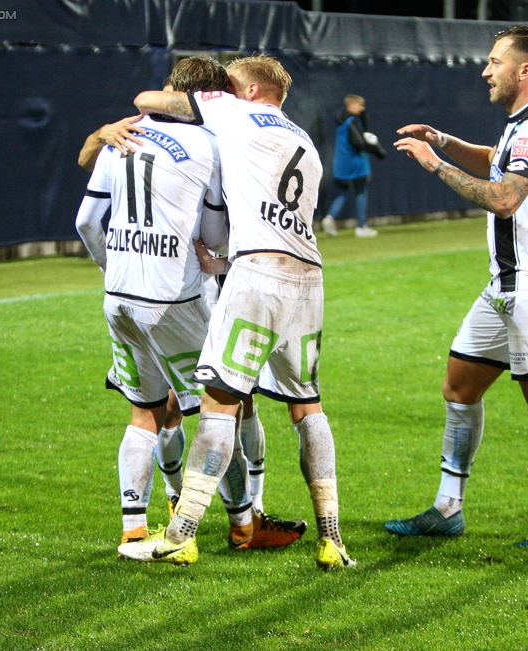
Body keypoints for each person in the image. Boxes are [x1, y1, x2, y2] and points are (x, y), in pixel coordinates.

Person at [118, 54, 354, 570]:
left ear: (248, 91)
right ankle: (332, 536)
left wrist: (132, 124)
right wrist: (221, 259)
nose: (220, 91)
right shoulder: (305, 141)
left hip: (256, 279)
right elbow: (284, 221)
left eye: (229, 85)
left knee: (219, 404)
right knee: (307, 406)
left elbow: (148, 101)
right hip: (308, 279)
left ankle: (181, 533)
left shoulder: (231, 112)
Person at [75, 56, 304, 557]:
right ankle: (244, 524)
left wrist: (112, 267)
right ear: (210, 98)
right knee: (221, 408)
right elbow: (216, 235)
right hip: (175, 298)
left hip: (119, 297)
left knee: (145, 413)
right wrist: (213, 259)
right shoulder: (208, 146)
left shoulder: (121, 137)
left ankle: (133, 533)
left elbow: (87, 223)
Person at [386, 25, 528, 549]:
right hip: (504, 286)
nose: (485, 70)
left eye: (495, 61)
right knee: (459, 388)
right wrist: (447, 143)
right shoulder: (520, 126)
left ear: (525, 70)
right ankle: (448, 508)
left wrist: (435, 166)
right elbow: (498, 162)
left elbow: (505, 198)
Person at [321, 94, 386, 238]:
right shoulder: (352, 122)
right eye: (360, 105)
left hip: (341, 163)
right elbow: (360, 143)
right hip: (355, 163)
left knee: (343, 192)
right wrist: (376, 149)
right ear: (351, 106)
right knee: (361, 191)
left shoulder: (342, 121)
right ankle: (361, 226)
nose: (362, 108)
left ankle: (330, 217)